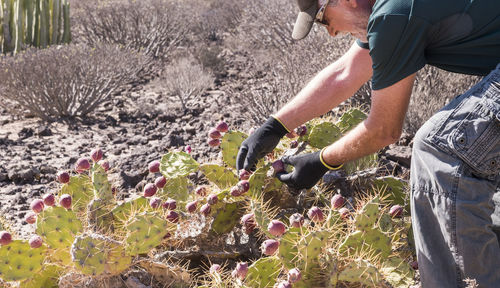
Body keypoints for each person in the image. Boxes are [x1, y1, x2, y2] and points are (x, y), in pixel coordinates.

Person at [236, 0, 500, 287]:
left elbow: (384, 129)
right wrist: (275, 125)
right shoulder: (389, 10)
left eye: (324, 19)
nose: (331, 33)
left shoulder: (393, 14)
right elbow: (346, 72)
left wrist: (321, 161)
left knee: (442, 152)